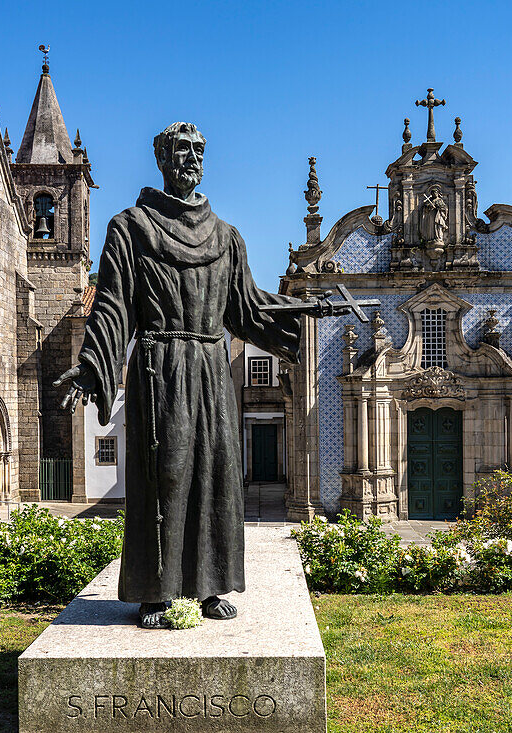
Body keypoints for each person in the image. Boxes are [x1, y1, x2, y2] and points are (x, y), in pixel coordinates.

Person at [55, 122, 347, 628]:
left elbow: (248, 309)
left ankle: (211, 587)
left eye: (197, 151)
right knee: (164, 476)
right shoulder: (131, 228)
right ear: (162, 160)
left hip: (212, 369)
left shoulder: (226, 236)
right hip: (159, 366)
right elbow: (112, 305)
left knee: (217, 475)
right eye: (179, 151)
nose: (189, 159)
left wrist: (305, 311)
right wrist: (92, 364)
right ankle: (155, 591)